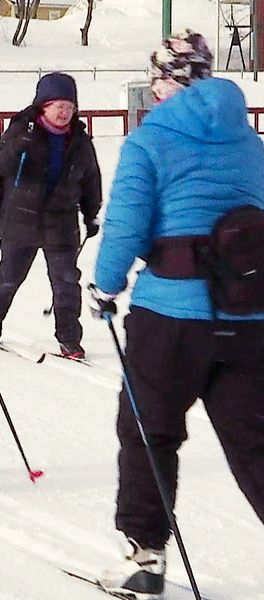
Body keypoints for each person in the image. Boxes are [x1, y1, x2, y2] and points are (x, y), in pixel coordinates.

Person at [90, 29, 264, 597]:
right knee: (255, 441)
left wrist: (106, 286)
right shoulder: (251, 142)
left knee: (148, 430)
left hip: (171, 316)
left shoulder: (151, 140)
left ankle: (146, 557)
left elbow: (126, 225)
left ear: (163, 81)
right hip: (248, 315)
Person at [0, 72, 102, 359]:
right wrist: (22, 144)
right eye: (58, 105)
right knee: (10, 276)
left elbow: (91, 179)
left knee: (67, 282)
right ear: (43, 105)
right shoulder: (22, 130)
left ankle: (69, 339)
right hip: (20, 218)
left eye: (69, 106)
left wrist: (92, 213)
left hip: (62, 222)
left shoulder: (79, 141)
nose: (65, 112)